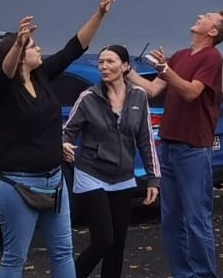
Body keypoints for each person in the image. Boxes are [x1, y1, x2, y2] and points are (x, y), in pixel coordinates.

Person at [0, 0, 116, 278]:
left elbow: (75, 46)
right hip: (16, 182)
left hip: (53, 179)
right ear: (20, 54)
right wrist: (19, 43)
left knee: (62, 250)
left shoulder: (42, 76)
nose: (39, 48)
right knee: (15, 257)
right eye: (33, 46)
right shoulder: (3, 89)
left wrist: (100, 13)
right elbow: (5, 73)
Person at [129, 10, 223, 278]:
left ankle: (204, 275)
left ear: (212, 32)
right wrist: (124, 69)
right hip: (168, 147)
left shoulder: (212, 57)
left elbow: (192, 92)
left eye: (207, 16)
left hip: (193, 150)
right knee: (171, 221)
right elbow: (152, 90)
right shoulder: (180, 56)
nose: (200, 15)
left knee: (196, 220)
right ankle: (182, 274)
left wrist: (166, 71)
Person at [63, 44, 161, 278]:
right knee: (103, 240)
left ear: (125, 66)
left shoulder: (139, 96)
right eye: (101, 62)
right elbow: (67, 130)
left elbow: (146, 139)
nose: (104, 67)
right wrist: (63, 143)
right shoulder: (88, 97)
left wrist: (153, 179)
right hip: (91, 173)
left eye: (110, 61)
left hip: (124, 176)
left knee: (117, 245)